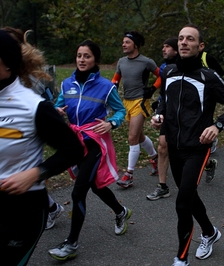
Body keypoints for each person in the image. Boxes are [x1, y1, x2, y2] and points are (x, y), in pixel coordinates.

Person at [151, 24, 224, 265]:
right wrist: (159, 115)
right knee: (189, 196)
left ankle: (181, 259)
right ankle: (210, 232)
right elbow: (164, 100)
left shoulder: (209, 77)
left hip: (198, 148)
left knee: (182, 203)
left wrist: (217, 126)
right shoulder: (168, 72)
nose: (183, 43)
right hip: (174, 147)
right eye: (180, 38)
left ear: (200, 46)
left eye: (189, 39)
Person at [0, 29, 84, 266]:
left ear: (7, 63)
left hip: (21, 210)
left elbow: (73, 150)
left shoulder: (33, 106)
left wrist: (36, 173)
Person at [48, 40, 131, 260]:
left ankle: (71, 244)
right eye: (79, 55)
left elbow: (120, 111)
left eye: (87, 56)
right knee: (95, 186)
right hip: (75, 142)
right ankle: (121, 212)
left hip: (95, 143)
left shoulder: (106, 86)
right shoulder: (67, 83)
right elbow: (59, 104)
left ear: (95, 59)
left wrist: (111, 123)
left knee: (78, 191)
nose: (82, 60)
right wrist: (57, 110)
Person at [1, 26, 67, 230]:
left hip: (23, 204)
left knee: (24, 167)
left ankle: (49, 207)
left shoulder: (29, 91)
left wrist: (36, 174)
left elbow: (44, 100)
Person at [111, 31, 160, 188]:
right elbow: (116, 78)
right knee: (138, 137)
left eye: (127, 42)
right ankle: (154, 157)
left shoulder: (146, 62)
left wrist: (152, 89)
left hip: (140, 101)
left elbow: (162, 75)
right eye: (123, 42)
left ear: (135, 45)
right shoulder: (121, 61)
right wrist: (113, 87)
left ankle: (129, 174)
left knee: (132, 137)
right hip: (127, 102)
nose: (124, 44)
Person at [146, 37, 179, 201]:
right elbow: (163, 95)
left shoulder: (191, 68)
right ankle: (162, 186)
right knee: (162, 147)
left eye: (167, 47)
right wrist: (159, 112)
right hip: (169, 114)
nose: (164, 49)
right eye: (163, 46)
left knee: (184, 150)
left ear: (176, 49)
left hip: (187, 117)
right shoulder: (165, 69)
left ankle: (207, 164)